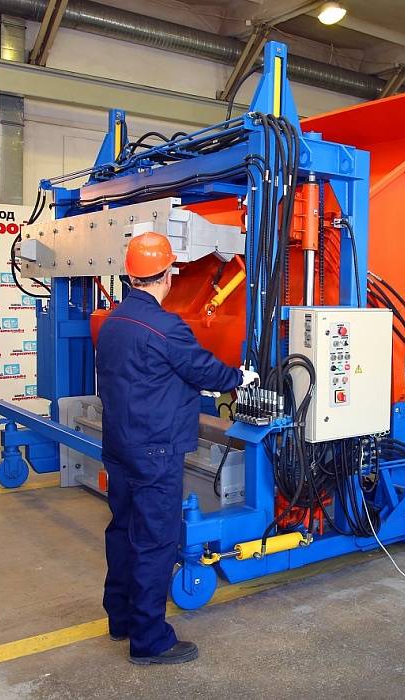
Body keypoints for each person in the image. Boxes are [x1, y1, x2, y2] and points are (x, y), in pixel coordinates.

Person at [96, 232, 258, 665]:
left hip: (120, 447)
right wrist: (239, 378)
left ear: (130, 276)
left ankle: (121, 619)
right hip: (156, 452)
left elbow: (145, 376)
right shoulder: (165, 326)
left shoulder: (113, 323)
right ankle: (149, 640)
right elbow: (203, 368)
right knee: (154, 542)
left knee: (122, 531)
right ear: (167, 275)